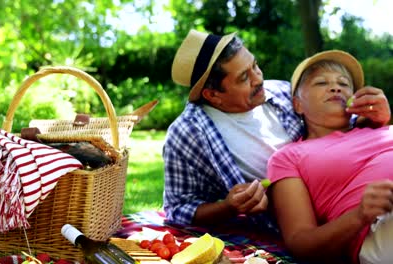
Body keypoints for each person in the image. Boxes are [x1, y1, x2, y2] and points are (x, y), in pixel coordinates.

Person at [162, 29, 391, 228]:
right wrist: (229, 207)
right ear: (213, 95)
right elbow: (178, 208)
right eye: (244, 78)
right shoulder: (187, 134)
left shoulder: (280, 93)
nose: (259, 78)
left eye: (255, 65)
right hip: (305, 222)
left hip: (347, 192)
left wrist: (377, 118)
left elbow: (345, 131)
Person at [267, 50, 393, 264]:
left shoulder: (376, 127)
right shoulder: (287, 158)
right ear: (297, 104)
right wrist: (360, 215)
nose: (335, 87)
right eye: (321, 83)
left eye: (344, 84)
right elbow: (300, 242)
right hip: (378, 226)